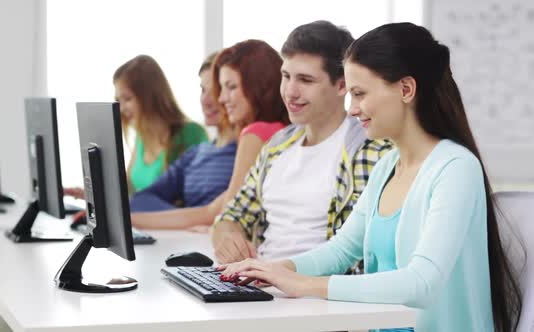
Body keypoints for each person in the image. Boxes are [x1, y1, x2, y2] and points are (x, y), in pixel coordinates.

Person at [219, 22, 522, 332]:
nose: (352, 109)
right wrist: (272, 270)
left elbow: (420, 283)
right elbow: (340, 250)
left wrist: (304, 284)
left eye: (360, 94)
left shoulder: (456, 168)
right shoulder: (387, 167)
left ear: (406, 89)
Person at [211, 21, 392, 264]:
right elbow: (231, 216)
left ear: (342, 85)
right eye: (286, 76)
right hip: (261, 286)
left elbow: (362, 253)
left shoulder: (371, 151)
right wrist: (228, 237)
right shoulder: (277, 146)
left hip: (318, 294)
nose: (290, 92)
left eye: (305, 80)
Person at [129, 40, 290, 230]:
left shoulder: (256, 135)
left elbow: (223, 214)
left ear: (257, 85)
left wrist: (217, 226)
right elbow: (216, 212)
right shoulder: (283, 131)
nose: (220, 98)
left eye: (231, 87)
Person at [126, 52, 237, 214]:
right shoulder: (195, 154)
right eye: (202, 90)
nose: (206, 100)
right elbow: (140, 200)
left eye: (215, 90)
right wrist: (185, 221)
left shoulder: (248, 150)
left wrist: (184, 220)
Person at [115, 55, 209, 193]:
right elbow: (129, 191)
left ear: (150, 96)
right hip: (140, 214)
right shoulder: (142, 137)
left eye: (128, 99)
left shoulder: (191, 134)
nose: (121, 109)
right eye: (118, 100)